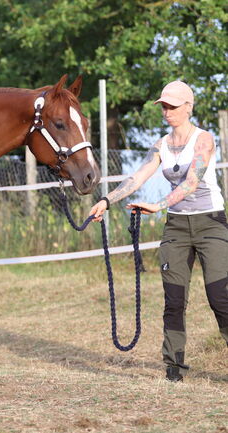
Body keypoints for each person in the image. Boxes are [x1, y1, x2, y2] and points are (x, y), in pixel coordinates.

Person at [88, 80, 228, 382]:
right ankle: (173, 367)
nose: (167, 111)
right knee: (174, 300)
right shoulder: (160, 145)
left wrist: (159, 204)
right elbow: (137, 178)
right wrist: (106, 200)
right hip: (177, 227)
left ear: (188, 107)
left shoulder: (204, 140)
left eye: (173, 106)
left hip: (210, 223)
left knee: (220, 297)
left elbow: (192, 182)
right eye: (164, 105)